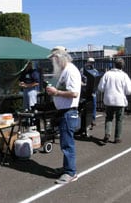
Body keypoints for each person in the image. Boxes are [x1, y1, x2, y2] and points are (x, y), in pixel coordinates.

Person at [46, 47, 81, 184]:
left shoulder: (70, 71)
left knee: (67, 144)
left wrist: (56, 92)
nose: (52, 62)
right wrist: (54, 91)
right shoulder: (65, 70)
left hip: (68, 111)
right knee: (65, 142)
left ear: (60, 58)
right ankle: (67, 168)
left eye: (53, 59)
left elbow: (74, 93)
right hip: (65, 111)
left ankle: (71, 172)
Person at [98, 57, 131, 143]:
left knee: (109, 118)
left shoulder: (107, 74)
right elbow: (129, 90)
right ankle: (117, 137)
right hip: (120, 101)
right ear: (122, 66)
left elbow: (101, 88)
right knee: (119, 119)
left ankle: (107, 133)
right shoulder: (124, 75)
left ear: (114, 64)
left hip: (109, 100)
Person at [84, 57, 99, 127]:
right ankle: (85, 120)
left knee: (94, 105)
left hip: (93, 91)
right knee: (85, 105)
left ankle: (92, 120)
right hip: (85, 91)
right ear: (87, 62)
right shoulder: (83, 70)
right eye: (90, 62)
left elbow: (97, 80)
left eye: (92, 62)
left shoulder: (95, 71)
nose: (91, 64)